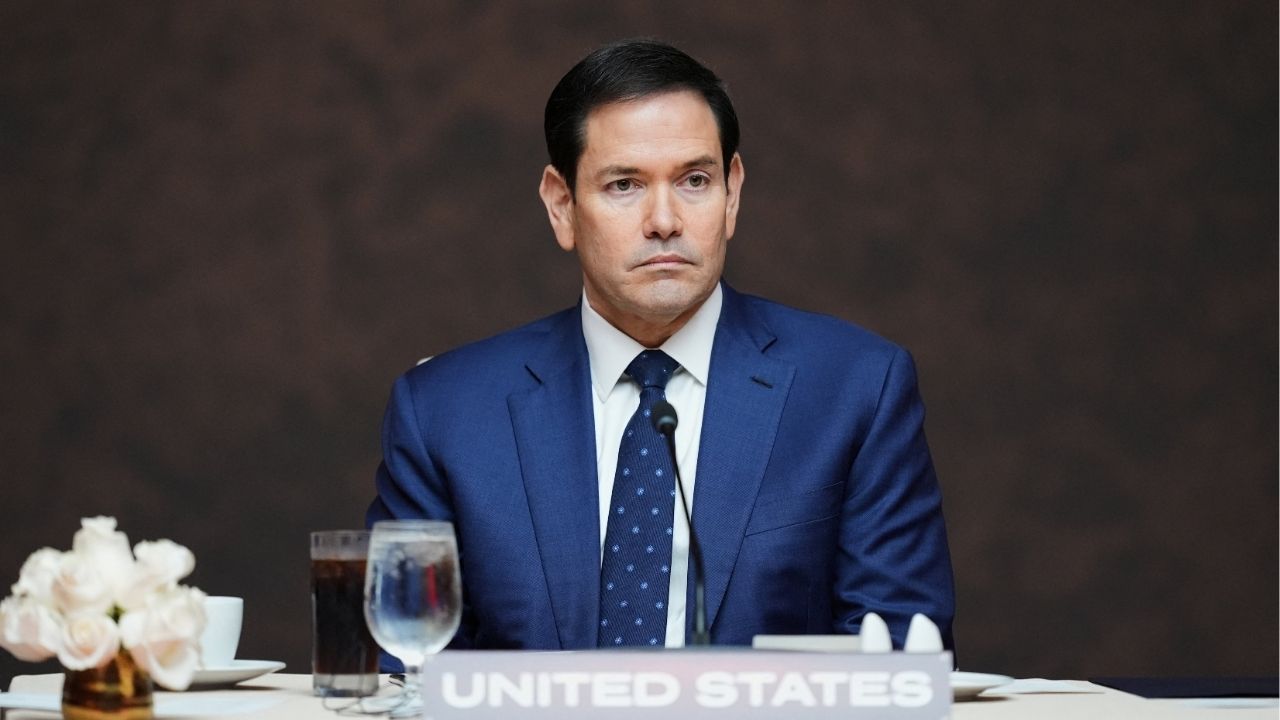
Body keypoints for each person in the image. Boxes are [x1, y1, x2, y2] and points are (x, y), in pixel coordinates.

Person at [367, 39, 955, 654]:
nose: (665, 220)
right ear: (561, 205)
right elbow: (406, 669)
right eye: (624, 185)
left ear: (732, 193)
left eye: (695, 180)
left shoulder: (856, 388)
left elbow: (901, 654)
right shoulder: (444, 412)